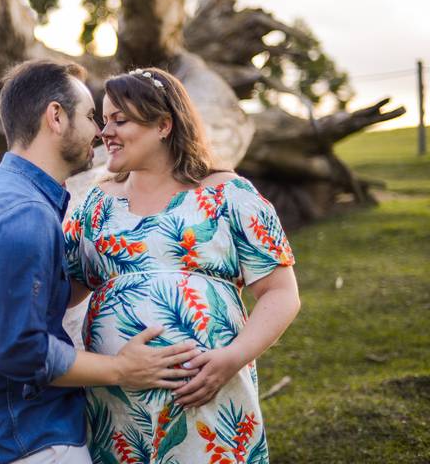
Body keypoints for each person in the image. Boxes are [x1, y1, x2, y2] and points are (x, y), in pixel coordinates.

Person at [0, 60, 201, 464]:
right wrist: (120, 370)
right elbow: (20, 351)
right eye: (92, 116)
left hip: (6, 437)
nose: (99, 132)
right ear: (55, 117)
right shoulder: (24, 215)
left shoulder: (9, 194)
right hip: (29, 443)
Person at [63, 67, 301, 463]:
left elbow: (281, 293)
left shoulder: (229, 194)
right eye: (104, 120)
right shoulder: (96, 203)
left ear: (163, 124)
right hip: (120, 408)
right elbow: (65, 289)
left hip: (210, 393)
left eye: (120, 120)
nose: (105, 132)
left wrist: (231, 358)